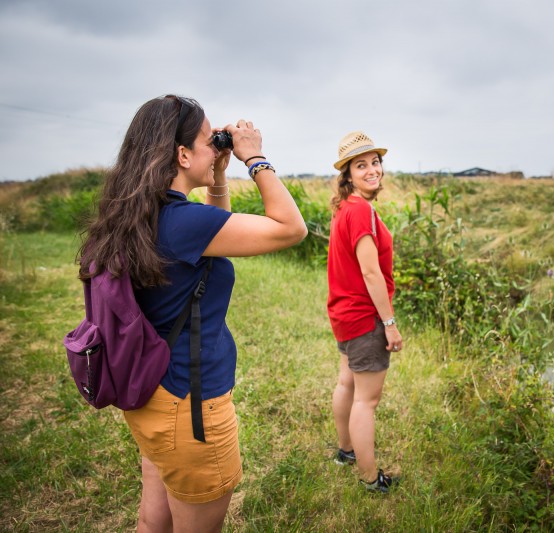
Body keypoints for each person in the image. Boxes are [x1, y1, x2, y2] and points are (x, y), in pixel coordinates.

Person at [78, 94, 307, 532]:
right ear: (182, 154)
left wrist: (218, 173)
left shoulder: (139, 215)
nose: (215, 147)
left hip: (151, 395)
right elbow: (290, 229)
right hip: (190, 408)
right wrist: (254, 158)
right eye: (208, 142)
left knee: (153, 522)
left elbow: (212, 241)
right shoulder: (182, 224)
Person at [327, 131, 402, 493]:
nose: (372, 170)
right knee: (366, 400)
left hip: (344, 313)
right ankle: (372, 479)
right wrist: (389, 324)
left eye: (375, 162)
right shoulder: (361, 212)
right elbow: (371, 272)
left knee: (347, 383)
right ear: (349, 175)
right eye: (361, 165)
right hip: (363, 317)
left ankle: (346, 451)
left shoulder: (345, 208)